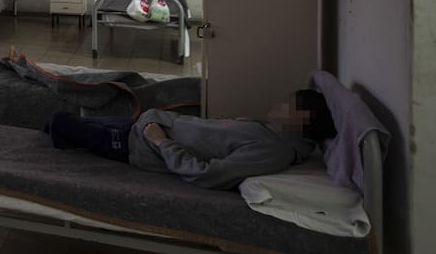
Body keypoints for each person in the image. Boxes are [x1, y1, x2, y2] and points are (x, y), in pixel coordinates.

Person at [46, 88, 337, 190]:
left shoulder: (273, 151)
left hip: (139, 146)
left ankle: (59, 141)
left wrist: (161, 142)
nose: (278, 104)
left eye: (288, 105)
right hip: (142, 127)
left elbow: (209, 175)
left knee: (60, 120)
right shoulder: (274, 134)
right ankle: (67, 139)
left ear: (303, 120)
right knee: (69, 124)